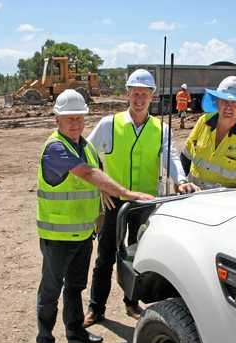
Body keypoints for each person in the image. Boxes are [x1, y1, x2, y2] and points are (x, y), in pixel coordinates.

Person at [35, 89, 154, 343]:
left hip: (82, 233)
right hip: (57, 235)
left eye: (79, 118)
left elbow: (97, 174)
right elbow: (88, 174)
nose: (75, 124)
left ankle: (75, 330)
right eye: (69, 119)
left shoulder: (86, 146)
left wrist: (100, 211)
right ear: (57, 120)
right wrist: (125, 192)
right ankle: (45, 341)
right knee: (51, 290)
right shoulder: (55, 148)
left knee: (76, 285)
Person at [84, 69, 199, 327]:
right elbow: (88, 154)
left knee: (137, 256)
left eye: (144, 95)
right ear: (127, 94)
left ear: (152, 97)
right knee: (105, 257)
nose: (139, 99)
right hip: (114, 202)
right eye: (135, 93)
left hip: (145, 203)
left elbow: (170, 157)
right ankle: (96, 308)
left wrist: (180, 181)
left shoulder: (161, 128)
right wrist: (101, 184)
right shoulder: (109, 124)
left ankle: (131, 301)